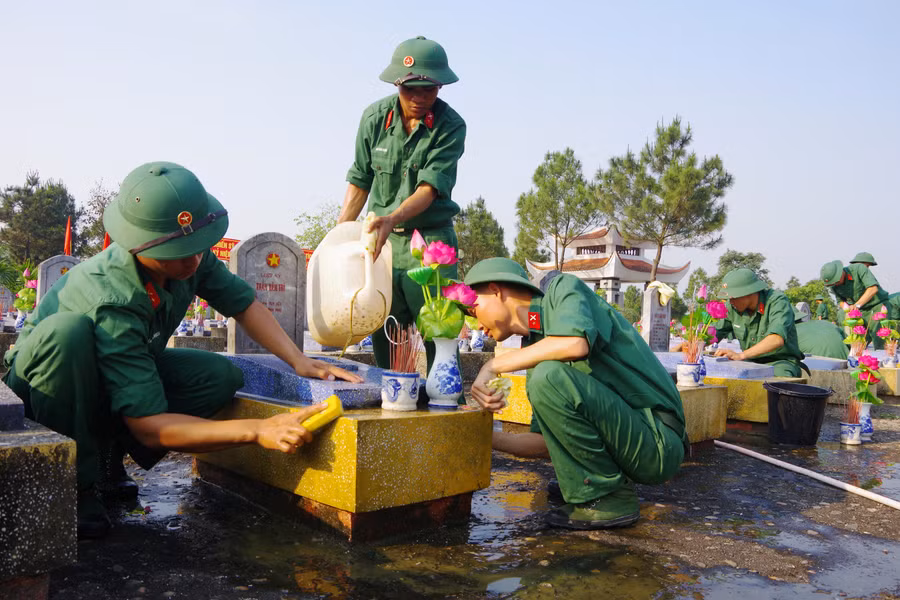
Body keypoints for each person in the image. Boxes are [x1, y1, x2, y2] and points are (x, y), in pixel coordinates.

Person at [3, 162, 362, 539]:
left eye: (197, 247)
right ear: (140, 245)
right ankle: (75, 484)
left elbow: (243, 304)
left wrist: (300, 360)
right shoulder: (113, 294)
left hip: (114, 374)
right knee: (69, 333)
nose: (193, 260)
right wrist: (257, 430)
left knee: (218, 377)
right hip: (48, 389)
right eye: (179, 251)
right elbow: (151, 427)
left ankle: (109, 457)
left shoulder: (191, 256)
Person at [464, 258, 687, 529]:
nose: (476, 325)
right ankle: (591, 485)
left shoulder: (562, 289)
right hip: (637, 439)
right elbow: (545, 441)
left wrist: (493, 365)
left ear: (496, 290)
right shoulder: (538, 342)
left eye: (473, 308)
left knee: (548, 377)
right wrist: (486, 438)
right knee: (547, 377)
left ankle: (608, 498)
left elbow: (576, 342)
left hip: (658, 440)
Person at [339, 36, 466, 384]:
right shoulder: (374, 119)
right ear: (398, 83)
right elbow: (360, 180)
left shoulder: (450, 126)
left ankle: (447, 408)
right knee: (384, 328)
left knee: (439, 331)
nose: (419, 97)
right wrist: (338, 239)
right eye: (411, 88)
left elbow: (429, 189)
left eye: (429, 89)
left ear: (440, 87)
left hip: (431, 242)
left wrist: (391, 218)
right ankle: (392, 401)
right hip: (380, 245)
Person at [713, 268, 805, 377]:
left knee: (776, 383)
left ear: (749, 292)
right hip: (749, 363)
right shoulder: (732, 307)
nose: (730, 302)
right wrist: (695, 342)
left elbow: (776, 339)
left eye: (733, 297)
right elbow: (714, 332)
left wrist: (741, 356)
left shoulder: (777, 301)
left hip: (780, 362)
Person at [820, 259, 900, 350]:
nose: (836, 284)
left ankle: (883, 361)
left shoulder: (859, 269)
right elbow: (840, 302)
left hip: (876, 306)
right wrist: (847, 309)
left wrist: (857, 305)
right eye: (833, 283)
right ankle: (857, 360)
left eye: (837, 282)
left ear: (842, 272)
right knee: (857, 343)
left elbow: (873, 289)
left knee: (880, 338)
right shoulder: (834, 285)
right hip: (858, 311)